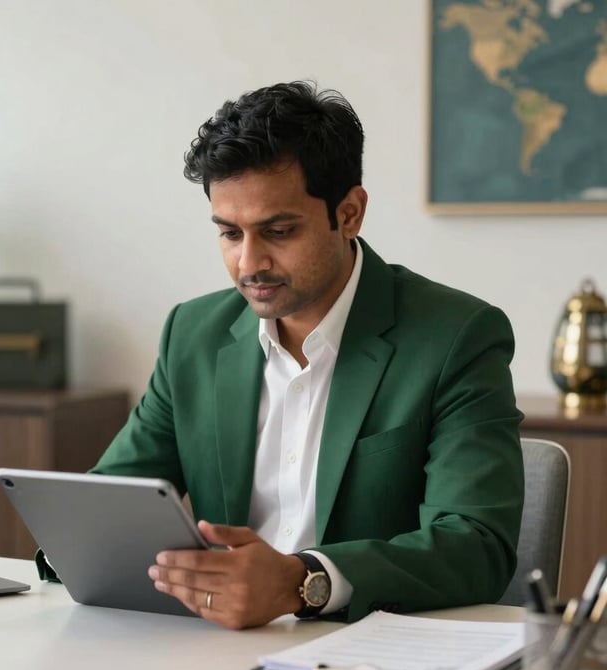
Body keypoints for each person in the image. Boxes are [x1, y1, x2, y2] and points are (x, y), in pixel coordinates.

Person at [92, 80, 524, 629]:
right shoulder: (193, 333)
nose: (250, 262)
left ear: (349, 214)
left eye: (278, 230)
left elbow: (476, 546)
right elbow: (109, 500)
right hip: (210, 648)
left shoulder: (457, 336)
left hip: (369, 657)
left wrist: (305, 581)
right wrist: (76, 549)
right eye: (229, 233)